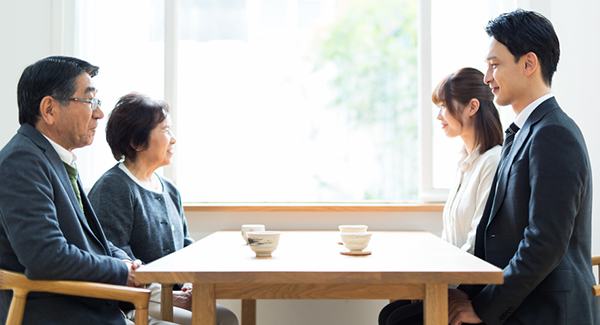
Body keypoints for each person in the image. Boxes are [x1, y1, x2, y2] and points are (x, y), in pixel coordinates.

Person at [447, 9, 600, 325]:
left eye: (495, 65)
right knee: (402, 313)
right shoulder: (520, 133)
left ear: (529, 64)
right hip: (519, 300)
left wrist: (483, 308)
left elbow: (543, 243)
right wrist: (464, 292)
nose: (487, 77)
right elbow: (491, 234)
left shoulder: (555, 134)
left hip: (543, 310)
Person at [0, 56, 176, 325]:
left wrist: (126, 262)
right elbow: (46, 257)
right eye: (90, 101)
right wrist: (121, 271)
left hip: (90, 310)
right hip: (62, 315)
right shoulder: (22, 161)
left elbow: (89, 241)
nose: (99, 114)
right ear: (49, 110)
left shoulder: (53, 158)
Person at [88, 92, 238, 325]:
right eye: (166, 130)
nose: (174, 139)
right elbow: (115, 259)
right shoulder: (113, 187)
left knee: (226, 317)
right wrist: (167, 296)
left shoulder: (169, 189)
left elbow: (186, 247)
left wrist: (191, 285)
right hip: (132, 304)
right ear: (137, 142)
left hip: (172, 296)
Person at [378, 67, 503, 325]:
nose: (439, 116)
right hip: (454, 280)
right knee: (390, 312)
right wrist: (429, 281)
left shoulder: (492, 161)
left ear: (472, 107)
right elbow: (450, 239)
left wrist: (448, 287)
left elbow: (477, 240)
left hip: (472, 288)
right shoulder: (464, 162)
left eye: (444, 106)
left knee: (397, 320)